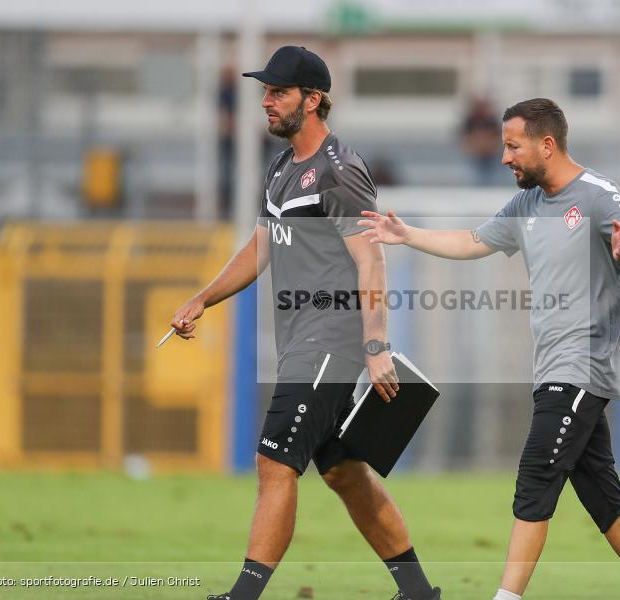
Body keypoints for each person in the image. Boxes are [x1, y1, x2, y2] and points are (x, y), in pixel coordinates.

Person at [360, 98, 620, 600]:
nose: (505, 156)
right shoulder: (527, 205)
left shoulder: (597, 195)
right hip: (553, 366)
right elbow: (473, 241)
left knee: (536, 474)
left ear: (546, 144)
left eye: (513, 146)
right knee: (601, 492)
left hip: (584, 364)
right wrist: (406, 235)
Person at [170, 46, 440, 600]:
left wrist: (375, 345)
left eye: (278, 92)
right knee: (342, 472)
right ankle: (418, 592)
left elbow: (371, 258)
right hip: (303, 342)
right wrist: (204, 297)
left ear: (312, 100)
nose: (266, 102)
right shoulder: (280, 168)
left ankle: (243, 595)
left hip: (329, 339)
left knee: (274, 461)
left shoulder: (338, 171)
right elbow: (260, 246)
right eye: (265, 91)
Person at [460, 97, 503, 185]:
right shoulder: (470, 121)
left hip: (491, 156)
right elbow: (464, 139)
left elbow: (500, 139)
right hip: (475, 156)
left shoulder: (492, 120)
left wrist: (488, 145)